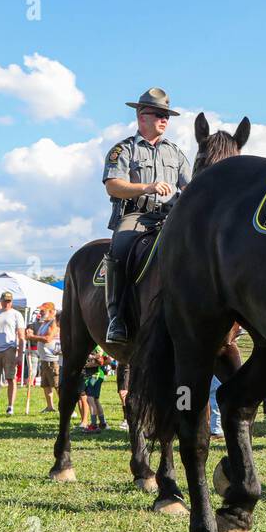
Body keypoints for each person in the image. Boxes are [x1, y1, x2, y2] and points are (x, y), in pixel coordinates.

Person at [101, 87, 192, 343]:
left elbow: (190, 187)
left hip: (171, 217)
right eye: (159, 114)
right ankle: (116, 319)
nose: (165, 119)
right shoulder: (124, 150)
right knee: (119, 250)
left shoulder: (175, 152)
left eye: (167, 115)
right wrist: (146, 187)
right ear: (142, 116)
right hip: (137, 217)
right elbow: (113, 185)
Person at [0, 291, 26, 417]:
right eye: (5, 301)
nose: (7, 303)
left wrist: (19, 354)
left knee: (11, 378)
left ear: (11, 302)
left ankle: (10, 407)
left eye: (9, 301)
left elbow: (21, 335)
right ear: (1, 300)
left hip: (9, 349)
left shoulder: (16, 314)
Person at [25, 302, 59, 413]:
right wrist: (30, 333)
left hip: (52, 360)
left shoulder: (54, 323)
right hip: (44, 359)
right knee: (46, 385)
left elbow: (48, 338)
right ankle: (50, 407)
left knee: (57, 385)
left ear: (51, 311)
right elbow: (39, 337)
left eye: (43, 311)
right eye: (40, 310)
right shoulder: (44, 323)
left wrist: (32, 336)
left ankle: (68, 408)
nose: (40, 313)